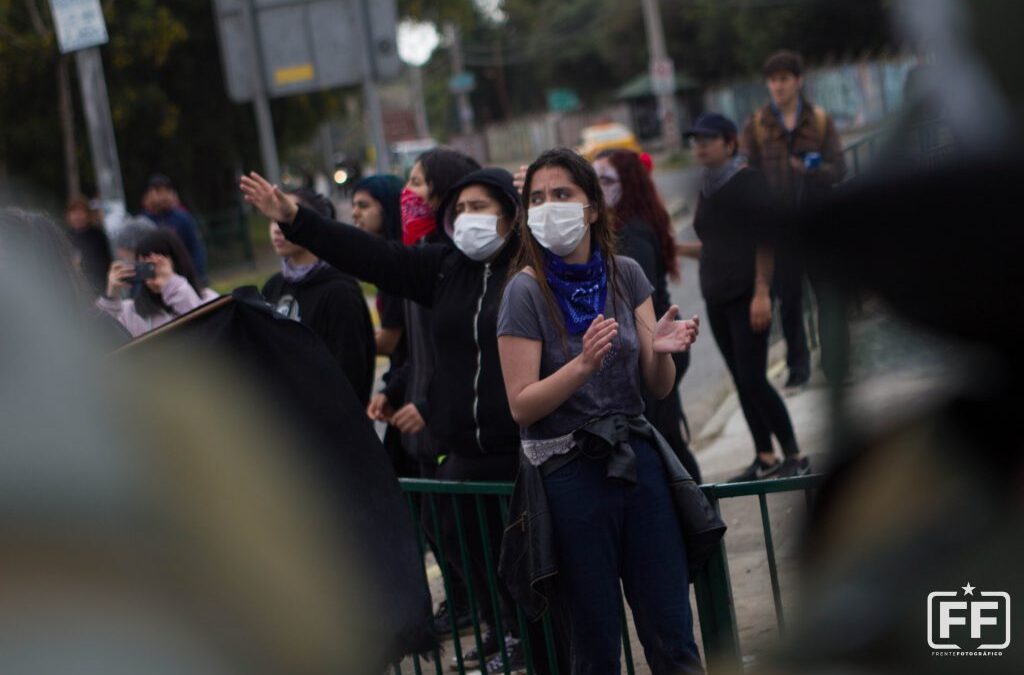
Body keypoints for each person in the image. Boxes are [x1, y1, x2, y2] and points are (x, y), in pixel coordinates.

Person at [241, 163, 543, 674]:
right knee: (468, 550)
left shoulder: (530, 266)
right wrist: (296, 218)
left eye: (481, 208)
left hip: (523, 452)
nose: (467, 218)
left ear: (511, 216)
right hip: (463, 456)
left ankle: (541, 647)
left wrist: (537, 194)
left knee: (532, 564)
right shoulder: (443, 268)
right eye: (460, 209)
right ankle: (508, 632)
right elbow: (370, 255)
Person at [496, 148, 705, 674]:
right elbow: (521, 405)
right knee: (595, 649)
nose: (549, 208)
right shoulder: (523, 291)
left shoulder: (626, 274)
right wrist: (582, 367)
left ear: (591, 207)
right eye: (537, 198)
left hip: (638, 465)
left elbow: (656, 388)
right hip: (569, 479)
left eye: (562, 195)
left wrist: (662, 352)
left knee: (673, 635)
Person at [679, 113, 809, 482]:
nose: (699, 146)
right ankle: (764, 456)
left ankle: (794, 454)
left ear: (729, 142)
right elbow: (713, 245)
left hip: (747, 295)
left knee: (754, 378)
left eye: (707, 139)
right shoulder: (705, 186)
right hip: (716, 296)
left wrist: (762, 291)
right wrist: (674, 248)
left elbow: (765, 238)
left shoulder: (748, 180)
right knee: (741, 378)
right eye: (695, 140)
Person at [594, 148, 702, 483]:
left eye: (607, 179)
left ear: (629, 183)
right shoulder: (624, 226)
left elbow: (638, 300)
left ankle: (700, 515)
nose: (599, 186)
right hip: (652, 343)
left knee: (666, 439)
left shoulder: (633, 233)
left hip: (657, 345)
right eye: (594, 179)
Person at [740, 50, 847, 388]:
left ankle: (836, 365)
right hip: (780, 227)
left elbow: (840, 167)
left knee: (828, 296)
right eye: (772, 80)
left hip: (819, 222)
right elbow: (747, 172)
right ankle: (798, 368)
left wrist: (816, 170)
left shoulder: (818, 120)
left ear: (798, 81)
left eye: (784, 79)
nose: (778, 86)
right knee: (789, 301)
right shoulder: (757, 125)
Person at [261, 187, 376, 407]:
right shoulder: (273, 286)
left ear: (310, 223)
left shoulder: (340, 291)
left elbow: (351, 377)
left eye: (283, 218)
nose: (276, 229)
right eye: (271, 220)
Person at [350, 174, 414, 476]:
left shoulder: (399, 264)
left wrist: (339, 337)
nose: (355, 213)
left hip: (409, 386)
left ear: (388, 208)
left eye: (364, 205)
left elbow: (389, 341)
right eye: (353, 206)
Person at [98, 228, 218, 337]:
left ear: (177, 262)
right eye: (146, 265)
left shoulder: (209, 299)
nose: (154, 271)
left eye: (158, 264)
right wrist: (111, 298)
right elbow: (99, 340)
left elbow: (205, 329)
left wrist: (172, 284)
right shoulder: (129, 312)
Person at [142, 174, 209, 282]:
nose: (163, 196)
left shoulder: (183, 218)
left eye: (166, 191)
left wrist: (198, 275)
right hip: (156, 280)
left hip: (184, 277)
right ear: (149, 194)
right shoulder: (143, 222)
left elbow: (196, 249)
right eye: (158, 191)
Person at [64, 197, 112, 296]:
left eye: (80, 212)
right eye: (73, 212)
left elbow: (106, 262)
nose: (77, 216)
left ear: (88, 215)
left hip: (97, 286)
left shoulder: (98, 236)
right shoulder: (64, 237)